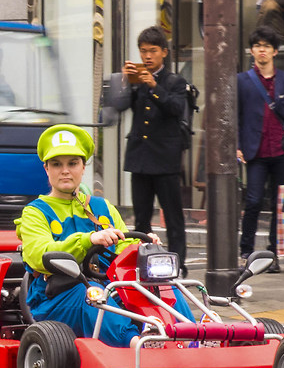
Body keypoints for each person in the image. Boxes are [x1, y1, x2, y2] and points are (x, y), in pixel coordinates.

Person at [18, 123, 142, 347]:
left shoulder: (102, 207)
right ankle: (135, 342)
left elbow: (126, 246)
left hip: (110, 286)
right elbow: (38, 255)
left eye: (72, 163)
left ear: (83, 167)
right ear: (46, 169)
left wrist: (145, 247)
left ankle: (190, 334)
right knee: (91, 295)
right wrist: (88, 240)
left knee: (159, 283)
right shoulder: (35, 212)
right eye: (57, 164)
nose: (65, 170)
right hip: (56, 295)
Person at [99, 26, 192, 266]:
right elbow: (118, 106)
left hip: (166, 160)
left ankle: (178, 265)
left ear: (164, 52)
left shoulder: (175, 81)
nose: (147, 57)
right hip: (140, 158)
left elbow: (175, 108)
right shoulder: (135, 80)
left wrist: (153, 86)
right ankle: (142, 262)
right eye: (143, 52)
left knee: (173, 217)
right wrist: (122, 80)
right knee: (141, 217)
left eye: (152, 51)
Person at [236, 27, 284, 264]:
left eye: (267, 46)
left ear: (274, 52)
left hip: (283, 149)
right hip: (255, 150)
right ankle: (247, 249)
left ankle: (273, 251)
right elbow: (236, 116)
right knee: (252, 200)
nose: (262, 50)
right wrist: (238, 145)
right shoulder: (242, 81)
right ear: (252, 51)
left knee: (279, 204)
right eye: (258, 46)